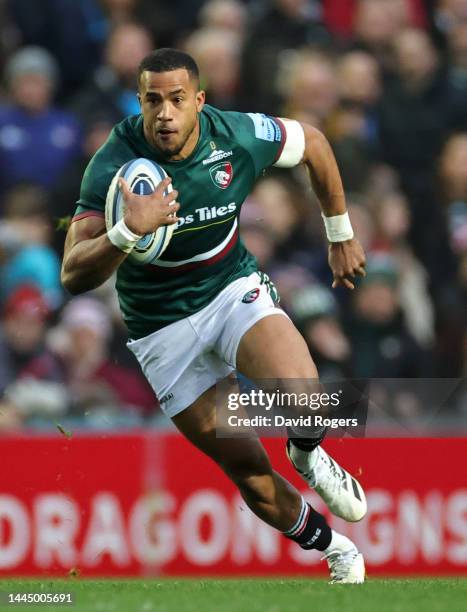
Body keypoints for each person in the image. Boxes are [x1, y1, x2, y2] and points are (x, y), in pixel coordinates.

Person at [61, 48, 367, 583]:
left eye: (177, 99)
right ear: (138, 101)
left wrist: (339, 232)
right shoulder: (115, 162)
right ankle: (337, 550)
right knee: (247, 469)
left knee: (306, 400)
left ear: (198, 101)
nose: (164, 114)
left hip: (229, 291)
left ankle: (307, 452)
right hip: (160, 331)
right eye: (152, 100)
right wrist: (127, 231)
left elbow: (314, 143)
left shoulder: (237, 136)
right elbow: (73, 274)